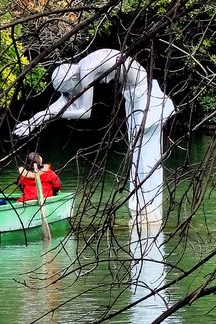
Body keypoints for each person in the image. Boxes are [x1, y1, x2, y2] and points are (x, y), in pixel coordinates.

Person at [13, 49, 174, 226]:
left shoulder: (87, 70)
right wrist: (35, 119)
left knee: (145, 155)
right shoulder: (78, 71)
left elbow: (85, 111)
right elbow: (63, 102)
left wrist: (52, 116)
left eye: (70, 91)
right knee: (137, 154)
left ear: (73, 80)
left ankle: (148, 210)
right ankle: (142, 210)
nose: (72, 95)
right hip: (133, 95)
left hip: (144, 96)